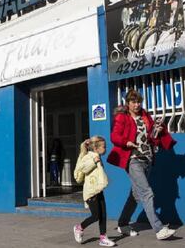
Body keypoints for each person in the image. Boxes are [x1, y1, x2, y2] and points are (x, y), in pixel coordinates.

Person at [107, 89, 177, 240]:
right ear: (128, 103)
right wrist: (126, 142)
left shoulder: (145, 116)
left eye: (138, 101)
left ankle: (123, 224)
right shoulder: (122, 117)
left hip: (148, 159)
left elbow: (151, 137)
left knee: (136, 195)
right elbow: (114, 136)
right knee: (147, 192)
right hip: (133, 159)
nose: (137, 104)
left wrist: (157, 131)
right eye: (133, 102)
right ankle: (159, 230)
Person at [73, 136, 116, 247]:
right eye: (103, 146)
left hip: (98, 190)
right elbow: (83, 168)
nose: (105, 148)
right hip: (91, 191)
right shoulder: (90, 156)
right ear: (96, 148)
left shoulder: (97, 156)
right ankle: (79, 227)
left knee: (103, 215)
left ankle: (103, 238)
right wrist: (93, 161)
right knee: (96, 215)